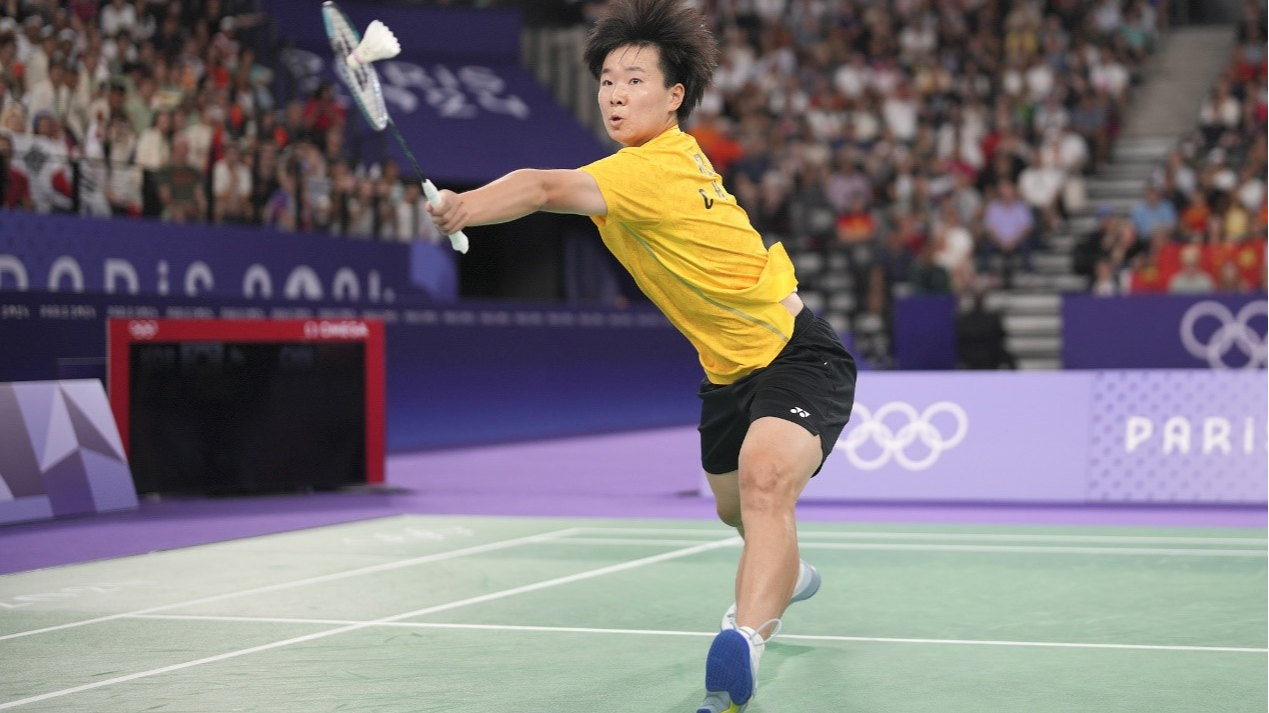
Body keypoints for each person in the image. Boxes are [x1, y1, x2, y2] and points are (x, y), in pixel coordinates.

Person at [426, 2, 857, 710]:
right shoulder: (656, 161)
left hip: (796, 354)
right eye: (605, 82)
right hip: (726, 375)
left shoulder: (647, 171)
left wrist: (464, 207)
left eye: (632, 80)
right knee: (733, 511)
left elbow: (539, 184)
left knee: (764, 480)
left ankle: (743, 639)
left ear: (673, 95)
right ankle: (787, 569)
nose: (615, 94)